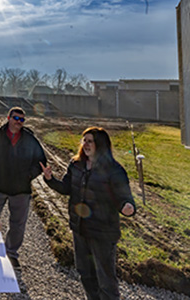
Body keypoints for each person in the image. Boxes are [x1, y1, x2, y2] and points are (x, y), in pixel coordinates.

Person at [40, 126, 135, 300]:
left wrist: (127, 206)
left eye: (90, 141)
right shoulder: (76, 165)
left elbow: (124, 196)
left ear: (101, 144)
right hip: (80, 229)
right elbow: (66, 188)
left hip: (102, 232)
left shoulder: (114, 170)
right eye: (84, 140)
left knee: (106, 279)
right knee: (85, 273)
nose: (85, 144)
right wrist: (50, 179)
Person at [0, 106, 47, 269]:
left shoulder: (30, 139)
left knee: (18, 224)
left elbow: (41, 161)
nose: (19, 122)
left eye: (22, 120)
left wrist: (28, 176)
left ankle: (11, 253)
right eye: (16, 118)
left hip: (21, 190)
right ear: (8, 118)